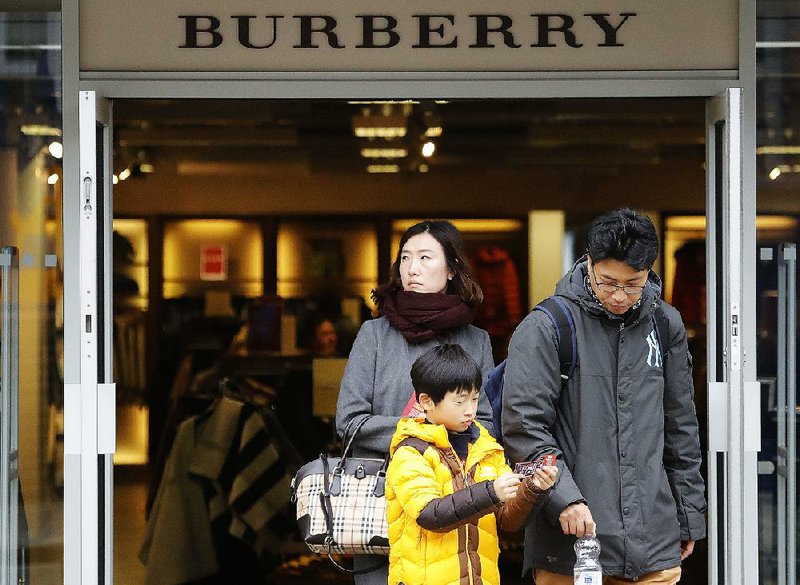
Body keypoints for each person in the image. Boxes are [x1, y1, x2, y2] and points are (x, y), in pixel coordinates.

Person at [502, 208, 706, 585]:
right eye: (607, 281)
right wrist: (565, 499)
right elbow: (524, 427)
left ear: (649, 273)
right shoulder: (548, 326)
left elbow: (680, 429)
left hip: (654, 544)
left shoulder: (665, 323)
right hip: (570, 546)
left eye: (633, 284)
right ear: (589, 263)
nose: (618, 295)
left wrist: (688, 514)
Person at [336, 219, 496, 583]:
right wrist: (424, 430)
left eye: (425, 257)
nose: (412, 268)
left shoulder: (476, 341)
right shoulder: (374, 335)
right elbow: (349, 422)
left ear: (452, 269)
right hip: (383, 506)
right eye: (405, 257)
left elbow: (486, 423)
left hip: (455, 507)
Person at [386, 343, 558, 585]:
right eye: (460, 401)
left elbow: (508, 522)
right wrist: (491, 492)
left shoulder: (486, 448)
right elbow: (430, 515)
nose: (471, 410)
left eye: (475, 399)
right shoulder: (411, 452)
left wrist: (532, 490)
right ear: (426, 401)